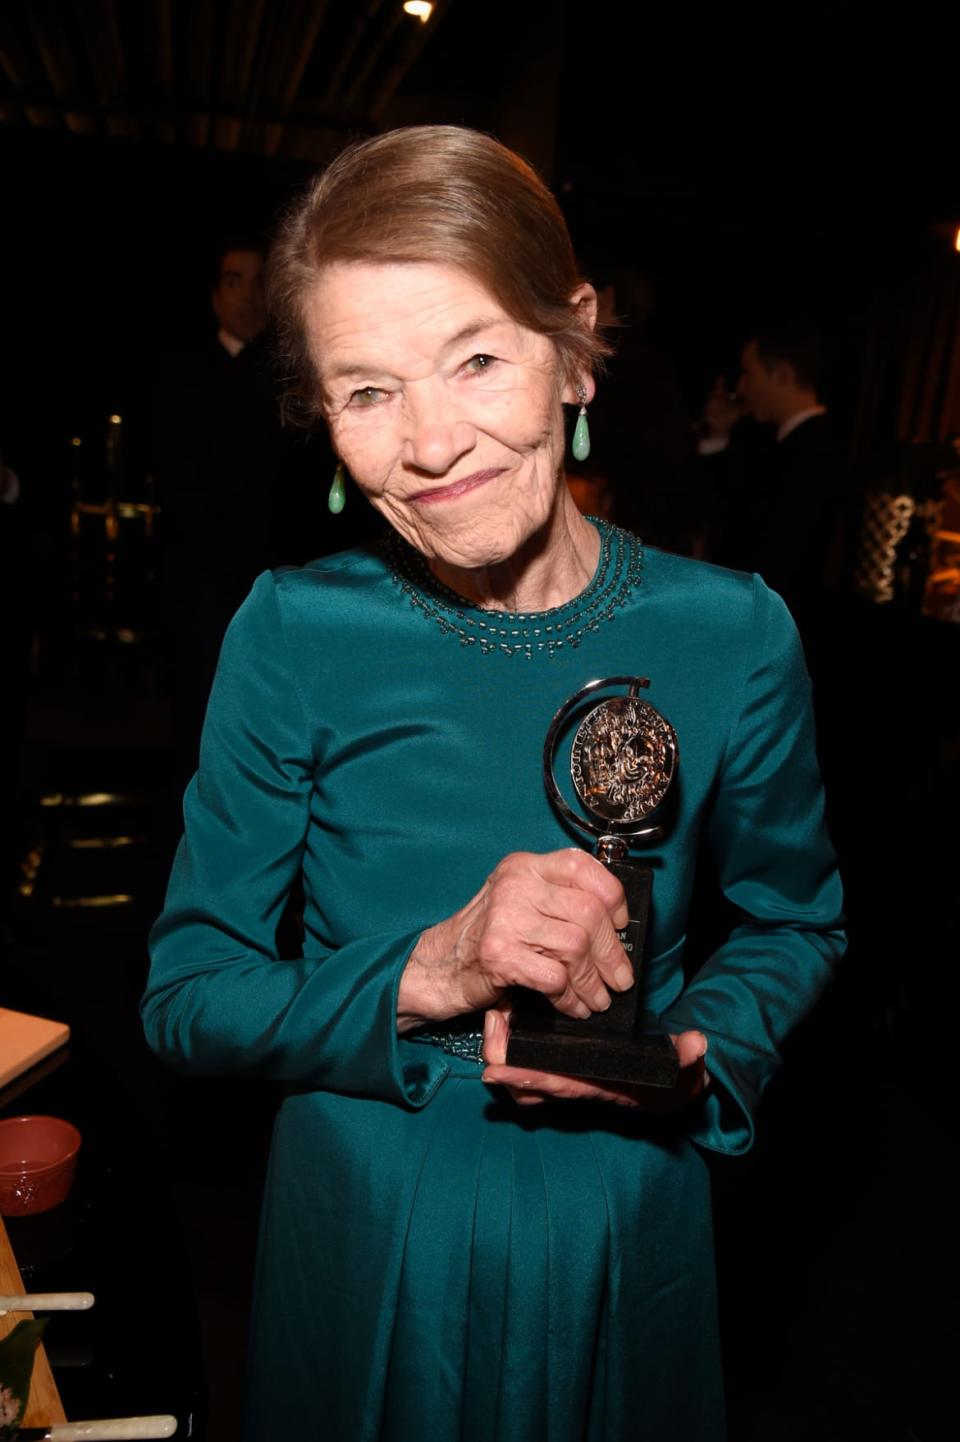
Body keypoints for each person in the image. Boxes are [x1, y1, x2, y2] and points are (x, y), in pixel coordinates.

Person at [142, 127, 845, 1441]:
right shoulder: (294, 631)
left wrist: (700, 1053)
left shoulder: (736, 632)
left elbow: (796, 918)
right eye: (367, 390)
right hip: (366, 1211)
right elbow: (190, 994)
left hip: (627, 1213)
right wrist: (434, 966)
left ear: (575, 340)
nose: (430, 443)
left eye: (475, 357)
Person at [699, 324, 844, 630]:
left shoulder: (812, 453)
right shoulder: (788, 443)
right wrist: (719, 433)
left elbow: (769, 555)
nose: (741, 387)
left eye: (749, 374)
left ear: (781, 376)